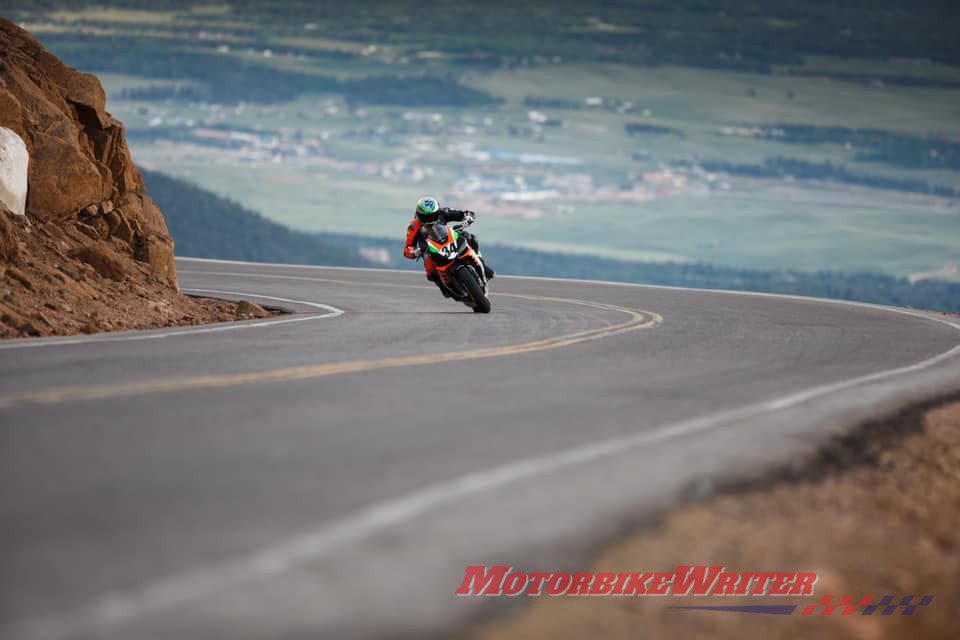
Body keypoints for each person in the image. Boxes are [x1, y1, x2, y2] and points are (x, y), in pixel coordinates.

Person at [403, 196, 494, 297]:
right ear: (418, 214)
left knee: (470, 237)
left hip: (447, 239)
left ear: (437, 211)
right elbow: (408, 248)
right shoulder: (414, 227)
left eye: (432, 215)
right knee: (430, 272)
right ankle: (444, 287)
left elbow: (465, 213)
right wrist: (415, 251)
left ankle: (482, 265)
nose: (429, 219)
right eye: (425, 217)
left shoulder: (444, 212)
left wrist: (468, 219)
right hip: (430, 250)